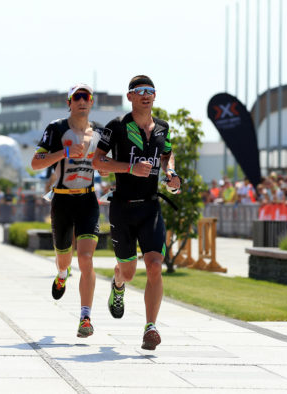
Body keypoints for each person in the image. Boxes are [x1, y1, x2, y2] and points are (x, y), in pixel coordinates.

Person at [92, 75, 181, 351]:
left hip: (151, 205)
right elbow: (97, 161)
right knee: (128, 273)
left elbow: (167, 153)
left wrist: (170, 172)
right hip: (122, 206)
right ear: (130, 96)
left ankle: (150, 328)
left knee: (155, 266)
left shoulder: (162, 127)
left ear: (155, 96)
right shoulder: (117, 126)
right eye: (140, 91)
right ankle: (117, 286)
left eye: (150, 91)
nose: (146, 95)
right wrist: (130, 168)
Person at [31, 83, 103, 338]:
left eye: (87, 97)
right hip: (61, 201)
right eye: (77, 97)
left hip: (87, 201)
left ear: (92, 102)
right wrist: (64, 152)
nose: (82, 101)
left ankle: (85, 317)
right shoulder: (56, 129)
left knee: (86, 258)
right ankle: (62, 274)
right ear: (69, 102)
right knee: (64, 257)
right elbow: (35, 163)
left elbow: (105, 166)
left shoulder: (100, 133)